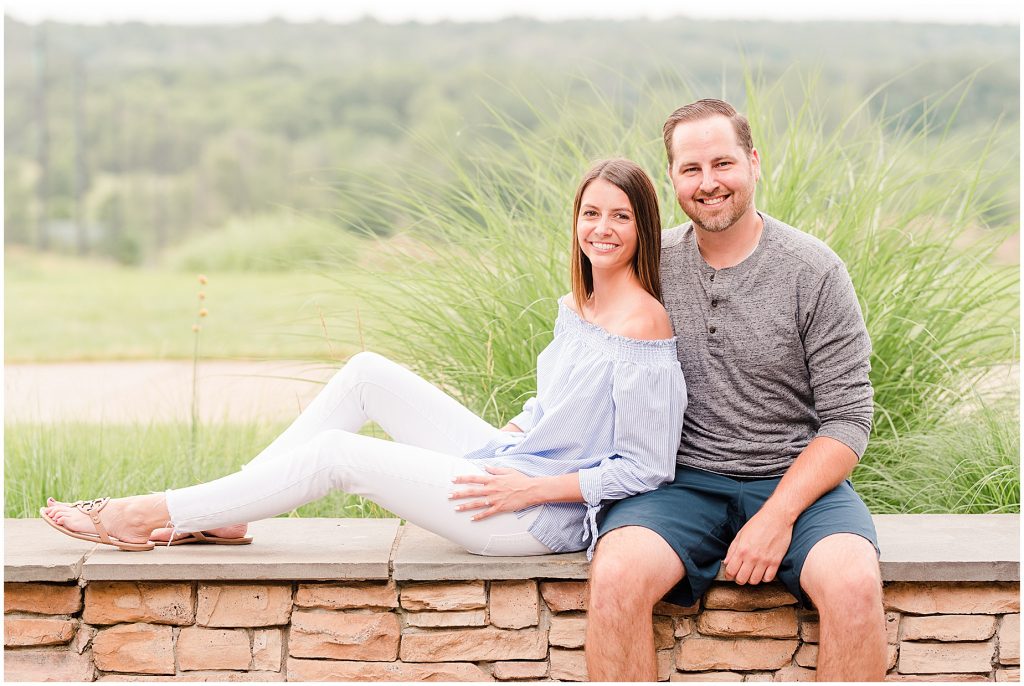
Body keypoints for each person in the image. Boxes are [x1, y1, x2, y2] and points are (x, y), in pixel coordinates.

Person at [41, 158, 686, 564]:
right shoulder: (576, 304)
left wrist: (534, 486)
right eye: (591, 212)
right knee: (366, 373)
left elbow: (648, 466)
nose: (601, 228)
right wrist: (516, 435)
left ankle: (151, 514)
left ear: (642, 230)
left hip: (538, 515)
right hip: (511, 465)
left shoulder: (644, 324)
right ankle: (229, 508)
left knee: (337, 458)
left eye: (620, 217)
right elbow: (552, 405)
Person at [584, 100, 886, 681]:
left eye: (722, 164)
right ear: (671, 177)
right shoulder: (650, 262)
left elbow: (848, 421)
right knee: (616, 575)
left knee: (852, 583)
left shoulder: (814, 270)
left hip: (795, 481)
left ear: (753, 162)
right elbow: (587, 357)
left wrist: (777, 515)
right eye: (691, 169)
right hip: (678, 482)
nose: (708, 183)